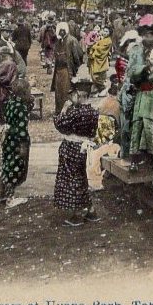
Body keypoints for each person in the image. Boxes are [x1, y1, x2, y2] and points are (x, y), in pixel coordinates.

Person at [53, 77, 100, 226]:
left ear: (79, 95)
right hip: (84, 147)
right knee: (81, 178)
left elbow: (60, 125)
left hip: (71, 148)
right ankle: (90, 210)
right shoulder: (93, 112)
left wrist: (63, 109)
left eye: (73, 94)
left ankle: (77, 214)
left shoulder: (74, 113)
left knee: (72, 180)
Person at [0, 78, 33, 207]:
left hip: (8, 138)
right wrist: (23, 145)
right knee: (16, 167)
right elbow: (22, 128)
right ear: (24, 93)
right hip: (17, 140)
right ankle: (10, 198)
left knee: (7, 164)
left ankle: (2, 193)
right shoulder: (21, 108)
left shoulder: (10, 103)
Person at [51, 21, 84, 115]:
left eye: (63, 30)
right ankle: (59, 110)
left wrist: (75, 68)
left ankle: (68, 110)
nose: (61, 32)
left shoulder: (72, 40)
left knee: (67, 90)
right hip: (58, 70)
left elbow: (79, 55)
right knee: (58, 90)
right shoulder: (58, 41)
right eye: (59, 30)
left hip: (67, 70)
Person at [87, 27, 113, 95]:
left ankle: (103, 88)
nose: (105, 33)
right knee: (93, 74)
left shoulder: (108, 41)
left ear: (109, 33)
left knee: (98, 76)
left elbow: (101, 50)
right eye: (104, 31)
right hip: (95, 59)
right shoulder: (102, 38)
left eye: (107, 31)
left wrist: (94, 46)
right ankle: (97, 89)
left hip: (101, 60)